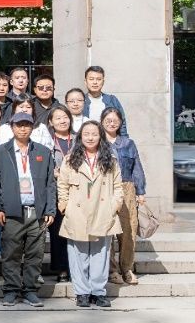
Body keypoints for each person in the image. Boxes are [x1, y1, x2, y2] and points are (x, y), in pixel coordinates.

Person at [0, 113, 56, 307]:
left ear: (32, 128)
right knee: (11, 253)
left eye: (27, 125)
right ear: (12, 127)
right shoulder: (1, 151)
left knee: (35, 254)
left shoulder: (43, 151)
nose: (23, 128)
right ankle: (11, 290)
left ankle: (30, 290)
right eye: (19, 125)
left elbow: (50, 183)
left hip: (36, 211)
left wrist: (50, 209)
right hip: (12, 211)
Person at [57, 120, 123, 308]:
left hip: (102, 212)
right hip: (77, 212)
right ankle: (82, 292)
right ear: (80, 136)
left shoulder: (110, 160)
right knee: (78, 255)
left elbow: (118, 187)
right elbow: (62, 185)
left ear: (101, 136)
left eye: (94, 134)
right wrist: (65, 206)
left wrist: (114, 206)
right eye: (86, 134)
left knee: (100, 255)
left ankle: (98, 291)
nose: (90, 137)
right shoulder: (70, 159)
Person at [102, 107, 146, 286]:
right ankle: (112, 271)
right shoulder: (98, 142)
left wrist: (140, 191)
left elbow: (137, 167)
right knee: (107, 229)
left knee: (128, 230)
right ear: (102, 122)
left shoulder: (128, 143)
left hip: (127, 187)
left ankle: (127, 268)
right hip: (104, 188)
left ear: (120, 123)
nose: (111, 123)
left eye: (115, 120)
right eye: (108, 120)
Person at [42, 106, 76, 281]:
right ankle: (61, 268)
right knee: (58, 231)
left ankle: (76, 268)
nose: (63, 121)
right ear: (51, 122)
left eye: (65, 117)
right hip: (55, 192)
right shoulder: (47, 142)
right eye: (58, 118)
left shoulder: (79, 139)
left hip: (77, 191)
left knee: (77, 231)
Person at [84, 66, 127, 134]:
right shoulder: (80, 101)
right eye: (91, 79)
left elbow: (122, 123)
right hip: (87, 139)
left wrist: (124, 139)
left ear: (103, 82)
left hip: (109, 139)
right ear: (85, 82)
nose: (95, 82)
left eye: (99, 79)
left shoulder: (112, 100)